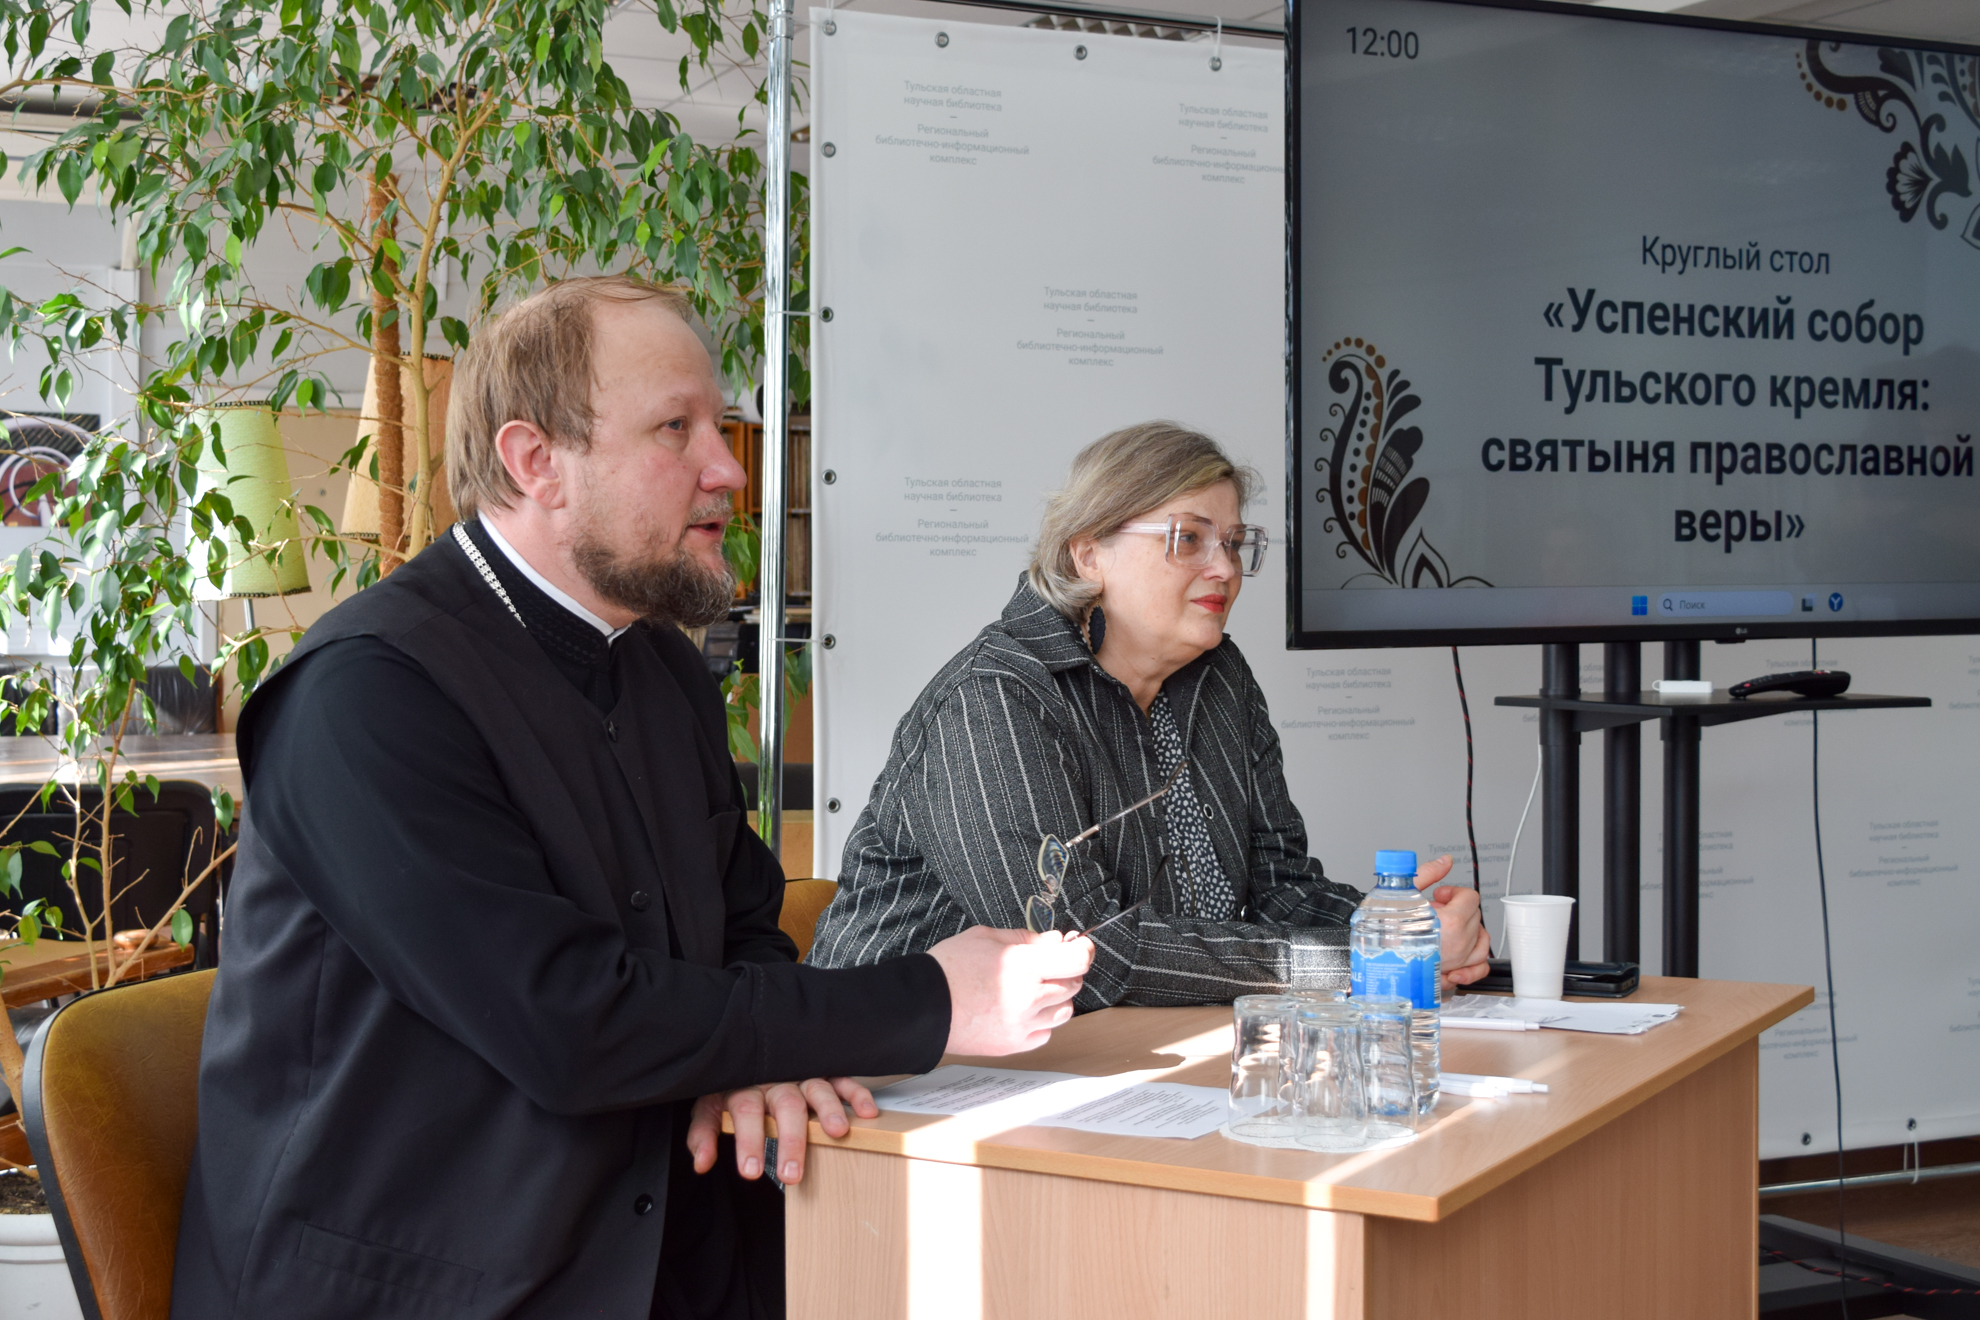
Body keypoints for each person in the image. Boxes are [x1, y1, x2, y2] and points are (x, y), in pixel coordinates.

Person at [171, 276, 1093, 1320]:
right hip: (427, 1282)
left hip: (655, 1234)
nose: (728, 468)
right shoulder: (367, 695)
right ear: (536, 462)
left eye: (719, 425)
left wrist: (767, 1062)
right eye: (675, 429)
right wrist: (934, 1000)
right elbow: (567, 1023)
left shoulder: (660, 666)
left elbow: (743, 925)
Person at [809, 422, 1490, 1005]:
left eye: (1233, 542)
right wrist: (1365, 961)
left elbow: (1280, 889)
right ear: (1088, 553)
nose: (1225, 569)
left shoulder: (1220, 679)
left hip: (1113, 1060)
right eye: (1189, 539)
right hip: (890, 1077)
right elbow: (1089, 955)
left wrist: (1396, 927)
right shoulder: (992, 701)